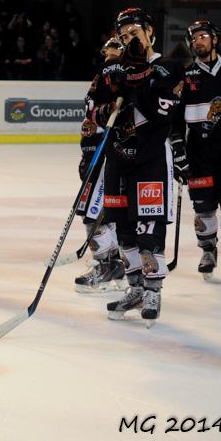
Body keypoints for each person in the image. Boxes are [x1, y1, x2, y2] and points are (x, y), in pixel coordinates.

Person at [99, 8, 184, 326]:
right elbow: (97, 107)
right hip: (119, 160)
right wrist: (110, 104)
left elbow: (162, 113)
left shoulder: (170, 68)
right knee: (123, 231)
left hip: (150, 161)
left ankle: (152, 290)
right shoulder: (115, 68)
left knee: (148, 228)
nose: (128, 39)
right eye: (123, 36)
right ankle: (134, 288)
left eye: (134, 32)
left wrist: (137, 80)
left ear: (150, 32)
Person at [171, 20, 221, 282]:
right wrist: (179, 154)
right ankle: (208, 250)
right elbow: (174, 122)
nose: (198, 42)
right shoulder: (186, 77)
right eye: (194, 39)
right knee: (203, 206)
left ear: (214, 40)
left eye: (203, 36)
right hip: (198, 152)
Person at [73, 38, 127, 293]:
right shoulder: (100, 81)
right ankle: (115, 265)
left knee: (95, 215)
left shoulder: (125, 79)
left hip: (115, 158)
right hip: (99, 156)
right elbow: (90, 117)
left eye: (116, 51)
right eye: (108, 51)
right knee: (96, 214)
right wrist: (87, 154)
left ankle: (107, 266)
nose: (111, 55)